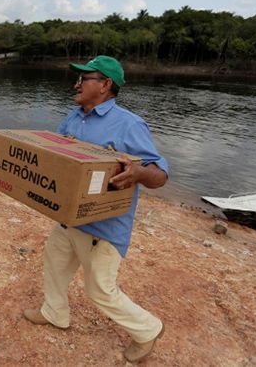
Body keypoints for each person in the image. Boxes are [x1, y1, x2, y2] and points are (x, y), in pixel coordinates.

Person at [23, 55, 169, 363]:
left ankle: (148, 329)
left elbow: (160, 175)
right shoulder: (74, 118)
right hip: (69, 218)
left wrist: (138, 173)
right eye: (77, 78)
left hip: (105, 227)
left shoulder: (129, 125)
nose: (76, 84)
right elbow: (57, 155)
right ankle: (55, 313)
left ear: (104, 85)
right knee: (55, 265)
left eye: (84, 78)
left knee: (100, 289)